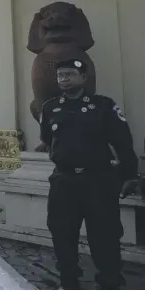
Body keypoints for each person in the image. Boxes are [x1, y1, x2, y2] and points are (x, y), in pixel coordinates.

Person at [40, 59, 139, 290]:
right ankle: (68, 281)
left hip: (98, 182)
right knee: (62, 234)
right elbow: (47, 139)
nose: (64, 79)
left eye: (70, 74)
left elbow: (123, 142)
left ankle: (109, 281)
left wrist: (130, 176)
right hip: (64, 182)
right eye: (60, 75)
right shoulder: (50, 108)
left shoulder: (103, 106)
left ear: (84, 78)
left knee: (104, 236)